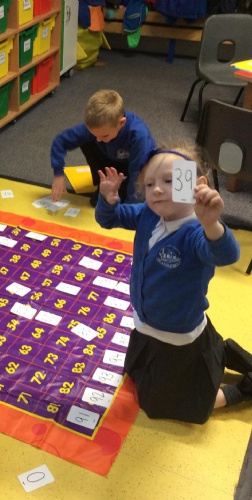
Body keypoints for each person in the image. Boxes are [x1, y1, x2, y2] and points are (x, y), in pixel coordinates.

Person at [94, 140, 252, 424]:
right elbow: (111, 218)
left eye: (169, 181)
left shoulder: (195, 232)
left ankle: (241, 390)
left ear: (197, 185)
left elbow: (227, 254)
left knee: (160, 405)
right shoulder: (150, 213)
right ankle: (219, 353)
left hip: (176, 333)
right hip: (149, 322)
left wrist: (211, 224)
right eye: (150, 183)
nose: (156, 189)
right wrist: (109, 199)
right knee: (140, 373)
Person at [50, 89, 156, 206]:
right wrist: (58, 174)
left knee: (135, 199)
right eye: (96, 135)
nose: (99, 139)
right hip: (114, 158)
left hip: (141, 169)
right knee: (88, 139)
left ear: (121, 123)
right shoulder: (99, 129)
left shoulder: (138, 135)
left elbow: (138, 174)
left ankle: (123, 189)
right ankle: (105, 182)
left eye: (104, 135)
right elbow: (60, 141)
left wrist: (130, 208)